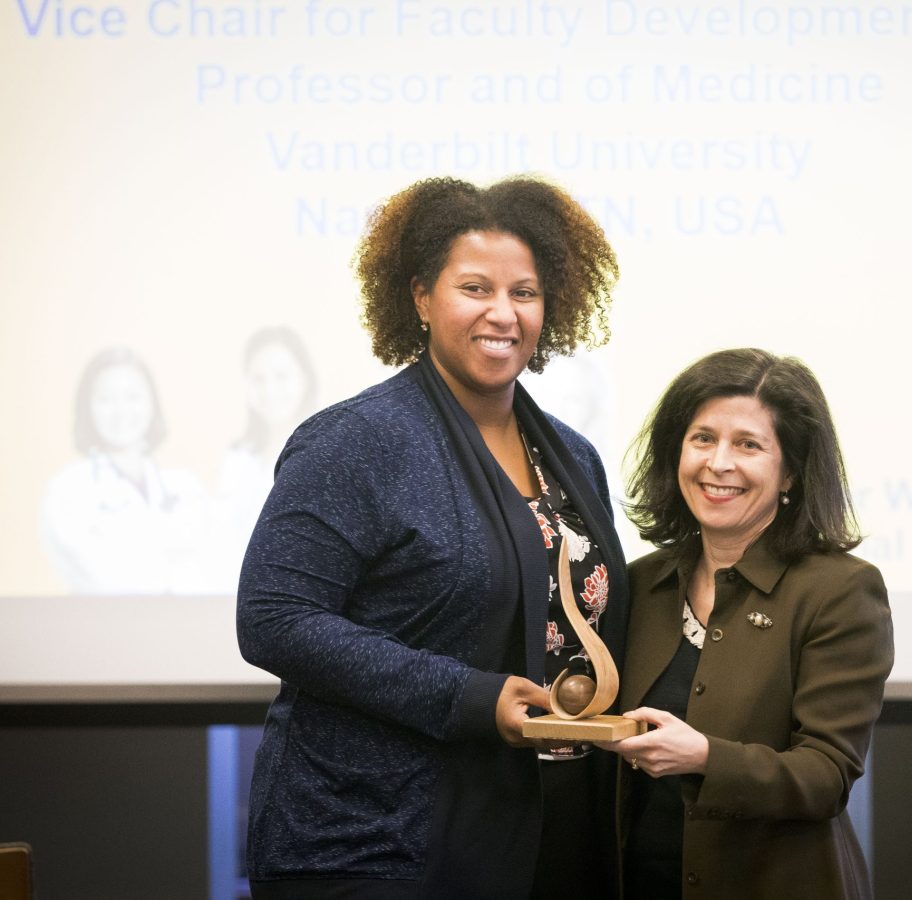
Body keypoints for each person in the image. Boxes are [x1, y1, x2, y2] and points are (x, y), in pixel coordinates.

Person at [236, 175, 627, 899]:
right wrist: (467, 696)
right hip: (375, 841)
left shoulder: (574, 456)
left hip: (545, 831)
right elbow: (274, 620)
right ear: (420, 297)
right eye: (475, 288)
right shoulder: (355, 441)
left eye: (524, 292)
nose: (502, 313)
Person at [602, 348, 894, 899]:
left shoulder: (840, 590)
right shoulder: (639, 583)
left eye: (748, 445)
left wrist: (705, 758)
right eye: (703, 438)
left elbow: (825, 776)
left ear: (791, 472)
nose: (718, 463)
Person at [40, 346, 210, 594]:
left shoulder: (186, 488)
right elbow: (106, 580)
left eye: (133, 397)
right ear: (87, 409)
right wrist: (171, 559)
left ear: (153, 404)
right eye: (106, 399)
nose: (121, 411)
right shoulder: (67, 491)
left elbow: (207, 572)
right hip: (104, 619)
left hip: (184, 618)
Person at [212, 326, 318, 588]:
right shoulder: (236, 459)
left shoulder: (329, 449)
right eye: (258, 379)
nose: (270, 389)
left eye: (281, 376)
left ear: (304, 378)